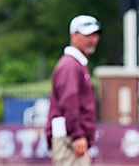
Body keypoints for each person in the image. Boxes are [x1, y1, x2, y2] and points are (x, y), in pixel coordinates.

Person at [46, 15, 101, 166]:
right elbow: (69, 102)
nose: (93, 39)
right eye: (87, 35)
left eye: (95, 35)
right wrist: (77, 135)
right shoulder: (70, 65)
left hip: (70, 137)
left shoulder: (75, 64)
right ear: (73, 36)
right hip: (69, 137)